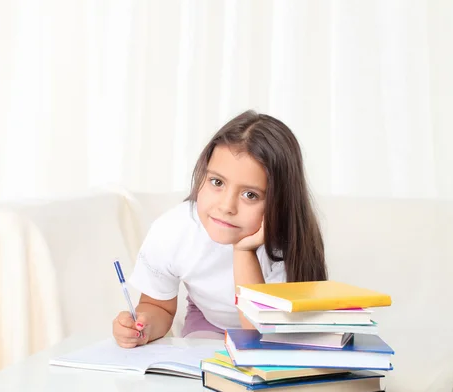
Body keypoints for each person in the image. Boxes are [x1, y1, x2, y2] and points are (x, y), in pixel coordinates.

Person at [112, 110, 327, 348]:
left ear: (281, 202)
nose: (226, 206)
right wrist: (142, 327)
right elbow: (158, 305)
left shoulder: (286, 246)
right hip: (208, 321)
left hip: (278, 332)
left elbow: (263, 336)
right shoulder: (174, 230)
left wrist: (244, 251)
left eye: (250, 195)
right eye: (217, 182)